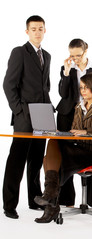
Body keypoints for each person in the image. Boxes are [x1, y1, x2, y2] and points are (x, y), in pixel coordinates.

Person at [34, 72, 92, 223]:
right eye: (81, 87)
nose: (82, 91)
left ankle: (50, 202)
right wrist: (62, 134)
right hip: (81, 149)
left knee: (53, 160)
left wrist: (87, 132)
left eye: (86, 87)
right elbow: (75, 130)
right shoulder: (79, 106)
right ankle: (50, 196)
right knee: (53, 142)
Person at [3, 15, 51, 219]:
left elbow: (45, 86)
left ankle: (34, 200)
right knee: (17, 160)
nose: (37, 32)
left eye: (40, 28)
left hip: (43, 116)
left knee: (36, 161)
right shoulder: (19, 52)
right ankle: (9, 205)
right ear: (27, 32)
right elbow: (8, 84)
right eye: (33, 29)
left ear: (45, 30)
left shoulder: (47, 55)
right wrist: (19, 111)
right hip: (24, 115)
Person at [56, 39, 92, 207]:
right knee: (65, 154)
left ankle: (91, 201)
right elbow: (63, 94)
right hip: (67, 115)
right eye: (72, 55)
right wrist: (67, 73)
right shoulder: (67, 68)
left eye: (78, 55)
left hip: (88, 115)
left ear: (86, 51)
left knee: (90, 151)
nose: (75, 59)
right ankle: (67, 200)